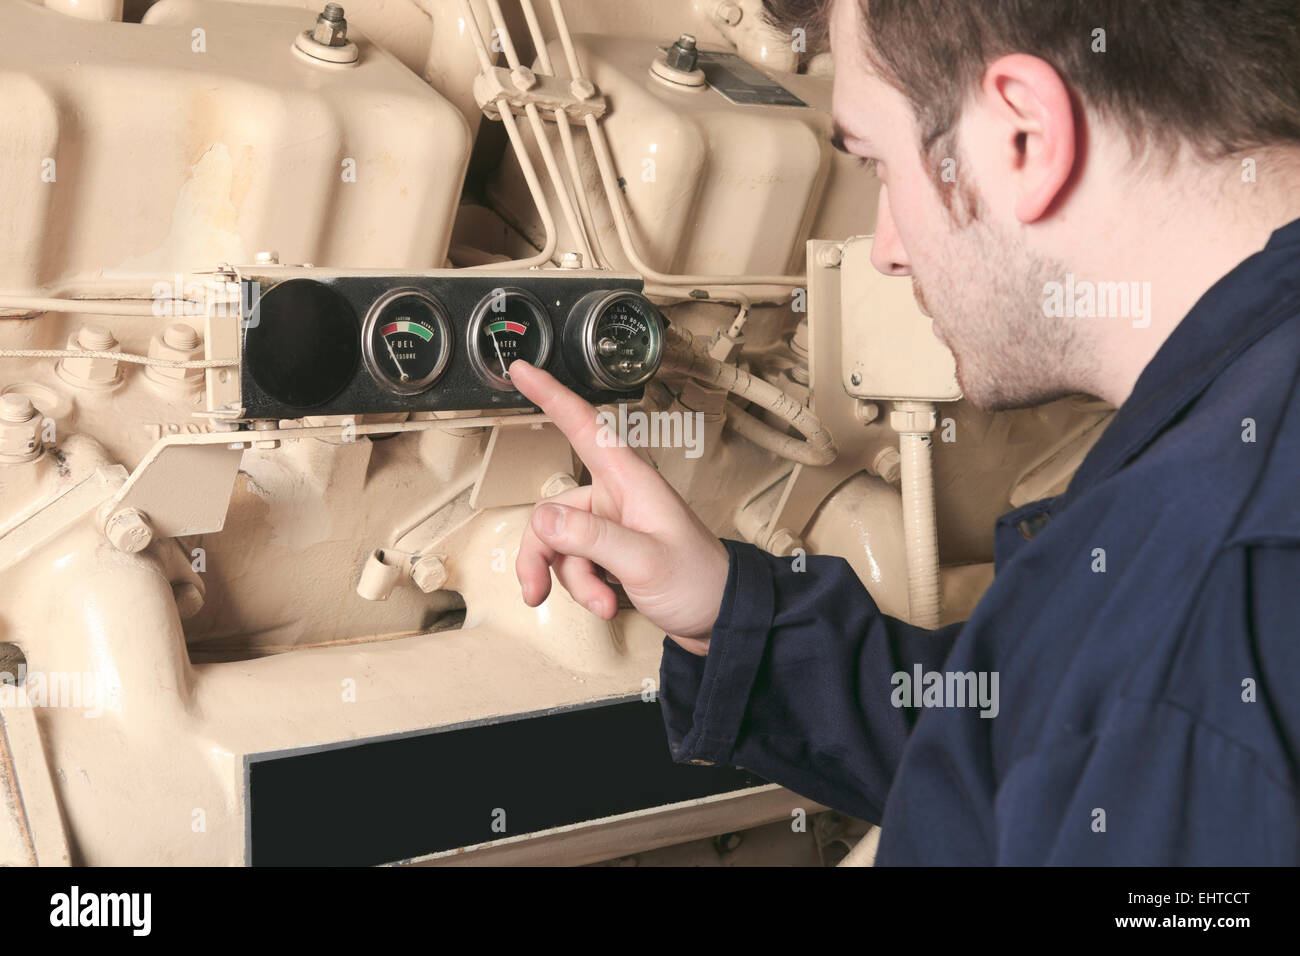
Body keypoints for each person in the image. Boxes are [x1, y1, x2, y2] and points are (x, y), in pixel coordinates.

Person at [508, 0, 1300, 864]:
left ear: (1023, 139)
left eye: (881, 167)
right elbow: (1057, 745)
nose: (885, 248)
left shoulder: (1204, 584)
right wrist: (733, 619)